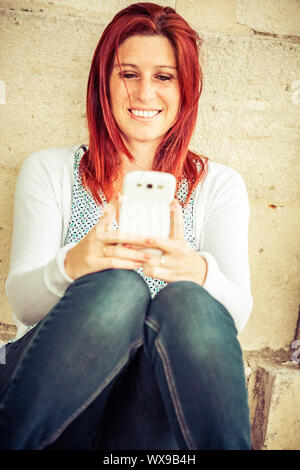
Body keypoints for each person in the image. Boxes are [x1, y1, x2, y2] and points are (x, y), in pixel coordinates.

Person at [0, 2, 253, 450]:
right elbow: (22, 306)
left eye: (164, 76)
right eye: (128, 73)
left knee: (188, 302)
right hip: (50, 399)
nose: (144, 93)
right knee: (120, 287)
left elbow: (235, 316)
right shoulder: (50, 170)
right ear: (105, 82)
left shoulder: (219, 186)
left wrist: (196, 272)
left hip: (144, 415)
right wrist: (74, 265)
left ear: (185, 88)